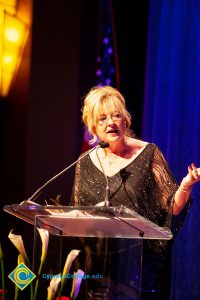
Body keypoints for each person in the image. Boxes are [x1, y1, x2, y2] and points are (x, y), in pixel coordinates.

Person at [70, 85, 200, 300]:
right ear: (93, 126)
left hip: (139, 267)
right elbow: (78, 214)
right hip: (99, 266)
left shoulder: (148, 153)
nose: (111, 122)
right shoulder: (85, 163)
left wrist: (186, 184)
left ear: (125, 120)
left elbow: (172, 207)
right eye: (102, 119)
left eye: (116, 115)